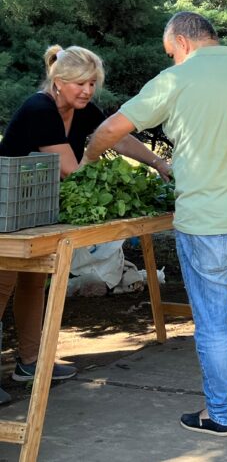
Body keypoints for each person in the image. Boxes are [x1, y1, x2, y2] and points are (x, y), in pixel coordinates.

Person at [81, 12, 227, 436]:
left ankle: (220, 414)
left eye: (171, 54)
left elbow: (111, 128)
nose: (172, 61)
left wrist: (89, 158)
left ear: (182, 42)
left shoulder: (175, 80)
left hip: (205, 227)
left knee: (214, 325)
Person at [0, 45, 169, 404]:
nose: (88, 91)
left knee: (34, 283)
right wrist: (107, 192)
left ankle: (29, 363)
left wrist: (158, 163)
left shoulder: (81, 109)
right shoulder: (39, 109)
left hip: (36, 212)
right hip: (5, 211)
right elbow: (72, 172)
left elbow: (118, 137)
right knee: (1, 287)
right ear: (58, 82)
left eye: (92, 83)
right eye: (79, 84)